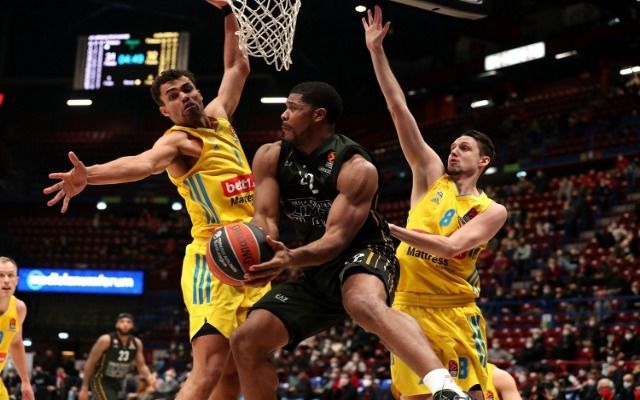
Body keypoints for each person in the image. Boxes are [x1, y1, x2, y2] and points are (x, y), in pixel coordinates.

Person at [43, 2, 270, 398]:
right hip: (212, 260)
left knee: (238, 367)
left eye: (187, 89)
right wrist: (89, 175)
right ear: (165, 110)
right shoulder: (178, 142)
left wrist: (229, 11)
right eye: (173, 96)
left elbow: (237, 67)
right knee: (209, 368)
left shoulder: (220, 117)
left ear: (198, 91)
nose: (184, 97)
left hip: (250, 254)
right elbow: (142, 164)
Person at [229, 81, 468, 400]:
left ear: (318, 115)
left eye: (293, 108)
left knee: (361, 303)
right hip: (315, 269)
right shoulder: (270, 156)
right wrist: (261, 250)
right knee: (246, 340)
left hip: (365, 251)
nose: (284, 115)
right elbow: (265, 217)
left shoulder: (356, 167)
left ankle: (446, 388)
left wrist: (289, 259)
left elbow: (337, 239)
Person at [363, 6, 508, 399]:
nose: (454, 151)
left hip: (456, 310)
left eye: (465, 148)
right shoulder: (430, 174)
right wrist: (377, 51)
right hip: (408, 307)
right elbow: (399, 109)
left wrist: (387, 228)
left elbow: (449, 247)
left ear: (483, 161)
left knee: (474, 395)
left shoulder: (492, 210)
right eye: (453, 146)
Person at [79, 313, 152, 400]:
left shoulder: (137, 343)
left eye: (128, 322)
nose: (125, 324)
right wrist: (84, 387)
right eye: (122, 322)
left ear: (132, 325)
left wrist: (150, 378)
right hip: (101, 379)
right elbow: (90, 363)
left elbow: (141, 366)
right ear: (116, 324)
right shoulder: (105, 340)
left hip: (118, 381)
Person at [0, 256, 34, 400]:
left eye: (10, 275)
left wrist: (25, 381)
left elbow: (15, 342)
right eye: (1, 275)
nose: (6, 280)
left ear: (17, 280)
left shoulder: (19, 308)